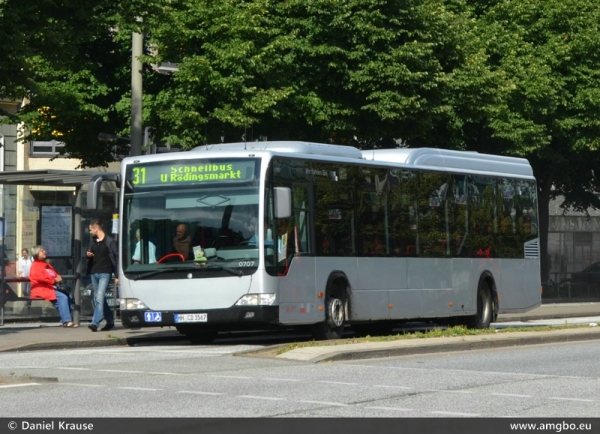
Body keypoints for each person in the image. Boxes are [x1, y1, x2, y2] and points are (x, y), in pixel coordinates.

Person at [29, 245, 77, 327]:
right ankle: (67, 321)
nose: (44, 252)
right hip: (41, 289)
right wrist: (54, 280)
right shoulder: (36, 265)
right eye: (42, 251)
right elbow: (41, 278)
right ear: (37, 253)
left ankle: (64, 320)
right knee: (62, 297)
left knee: (68, 296)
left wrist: (58, 277)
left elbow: (53, 273)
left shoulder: (45, 263)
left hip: (49, 287)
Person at [86, 219, 118, 332]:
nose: (90, 232)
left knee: (99, 297)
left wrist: (117, 274)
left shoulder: (109, 241)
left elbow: (116, 257)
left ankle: (95, 322)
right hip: (94, 272)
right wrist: (88, 254)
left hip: (105, 272)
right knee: (100, 298)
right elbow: (90, 252)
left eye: (91, 230)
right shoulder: (93, 241)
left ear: (96, 229)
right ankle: (110, 321)